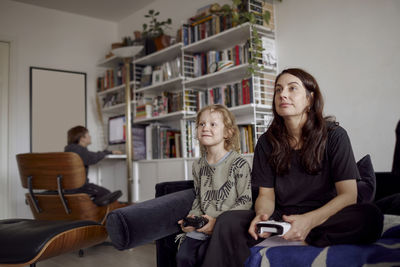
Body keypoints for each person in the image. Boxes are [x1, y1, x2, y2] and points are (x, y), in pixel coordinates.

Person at [200, 68, 384, 267]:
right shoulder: (266, 142)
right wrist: (263, 218)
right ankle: (288, 232)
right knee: (227, 222)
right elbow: (266, 195)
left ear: (310, 99)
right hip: (281, 216)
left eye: (292, 88)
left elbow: (348, 195)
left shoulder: (335, 136)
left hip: (324, 215)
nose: (283, 94)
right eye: (278, 90)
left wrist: (309, 221)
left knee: (371, 217)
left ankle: (301, 233)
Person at [176, 104, 253, 267]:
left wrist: (218, 222)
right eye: (201, 124)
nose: (205, 128)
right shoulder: (197, 165)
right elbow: (199, 196)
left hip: (225, 227)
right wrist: (192, 217)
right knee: (183, 256)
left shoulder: (239, 164)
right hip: (202, 224)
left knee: (207, 256)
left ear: (228, 132)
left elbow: (245, 201)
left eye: (213, 124)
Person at [64, 125, 123, 206]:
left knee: (104, 194)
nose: (90, 136)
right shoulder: (78, 150)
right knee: (106, 194)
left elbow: (90, 155)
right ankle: (96, 214)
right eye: (88, 134)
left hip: (66, 188)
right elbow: (93, 158)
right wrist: (109, 152)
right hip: (78, 188)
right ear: (82, 138)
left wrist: (107, 152)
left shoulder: (69, 149)